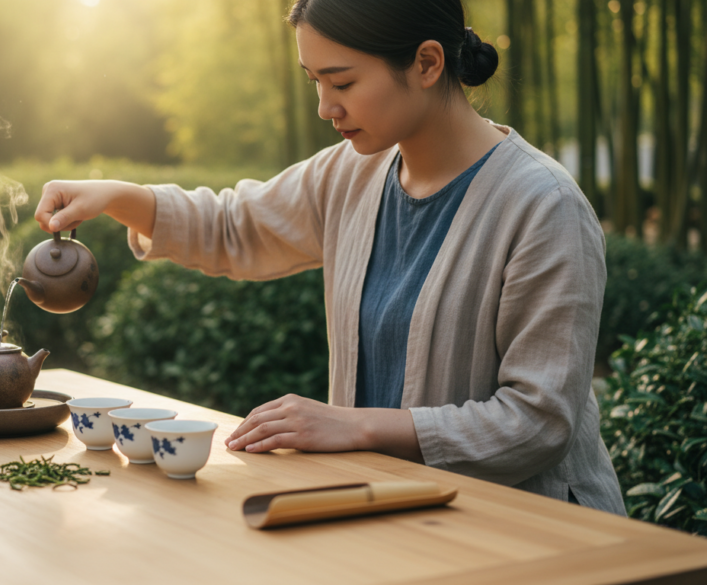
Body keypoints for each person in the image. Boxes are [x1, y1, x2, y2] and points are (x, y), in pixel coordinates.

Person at [34, 0, 625, 515]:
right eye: (314, 80)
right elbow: (236, 226)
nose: (324, 106)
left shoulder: (543, 207)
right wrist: (118, 196)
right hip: (392, 512)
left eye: (342, 83)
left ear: (426, 63)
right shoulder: (354, 172)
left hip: (534, 530)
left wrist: (354, 425)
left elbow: (537, 421)